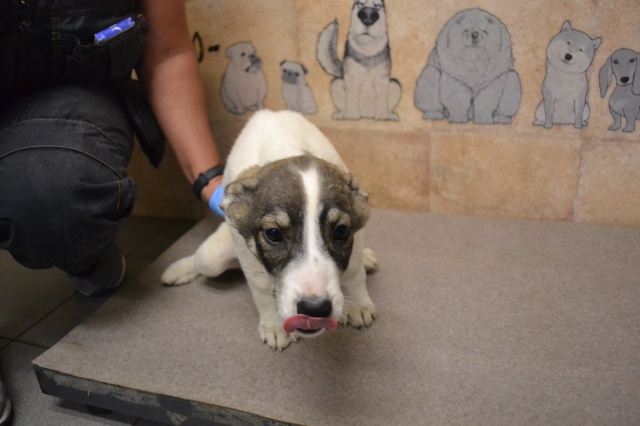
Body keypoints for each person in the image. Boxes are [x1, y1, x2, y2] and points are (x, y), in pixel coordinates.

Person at [0, 1, 225, 423]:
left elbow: (169, 51)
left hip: (61, 100)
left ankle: (86, 254)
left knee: (55, 191)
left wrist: (212, 182)